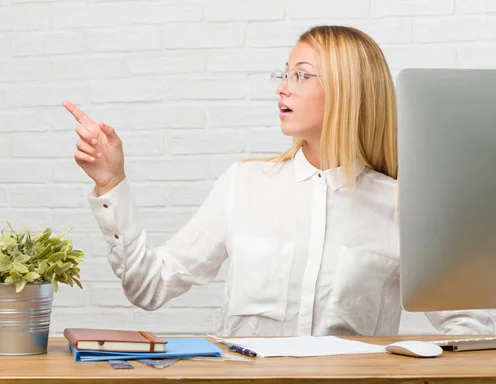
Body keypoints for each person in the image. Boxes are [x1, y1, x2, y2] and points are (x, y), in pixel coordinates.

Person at [64, 25, 494, 337]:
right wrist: (111, 182)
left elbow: (470, 327)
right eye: (284, 74)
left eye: (301, 76)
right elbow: (149, 285)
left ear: (348, 89)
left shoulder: (403, 206)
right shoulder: (244, 184)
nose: (282, 89)